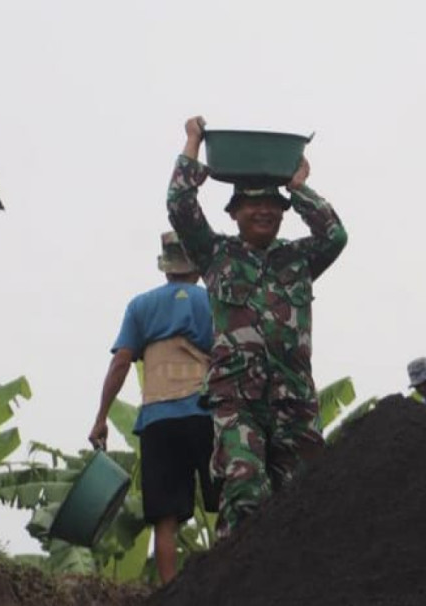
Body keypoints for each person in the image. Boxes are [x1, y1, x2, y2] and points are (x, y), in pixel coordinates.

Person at [166, 116, 348, 539]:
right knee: (246, 495)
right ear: (234, 213)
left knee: (306, 502)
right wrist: (193, 144)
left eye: (273, 205)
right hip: (238, 401)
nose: (264, 211)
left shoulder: (299, 259)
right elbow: (180, 206)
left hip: (294, 401)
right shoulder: (216, 255)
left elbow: (335, 235)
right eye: (252, 204)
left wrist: (299, 189)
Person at [89, 231, 219, 584]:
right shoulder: (211, 302)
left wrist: (102, 418)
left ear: (165, 268)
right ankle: (231, 583)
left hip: (158, 420)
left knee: (165, 520)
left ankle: (170, 591)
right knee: (225, 504)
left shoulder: (140, 306)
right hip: (205, 415)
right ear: (196, 266)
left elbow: (120, 364)